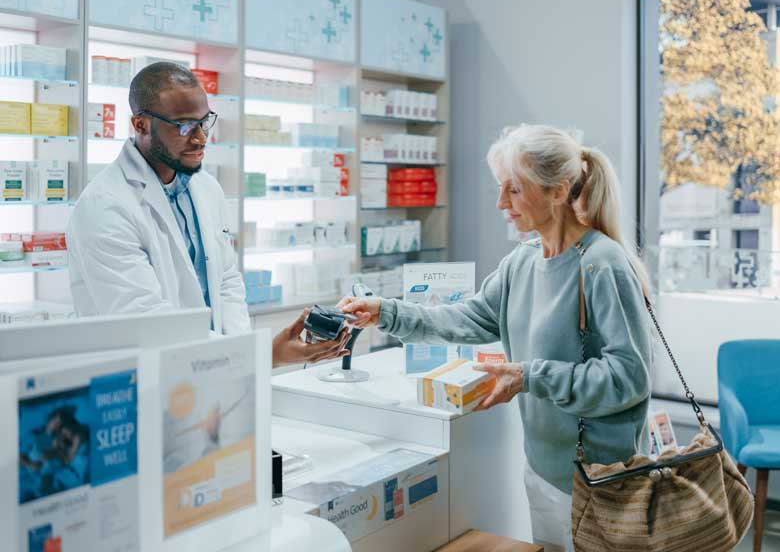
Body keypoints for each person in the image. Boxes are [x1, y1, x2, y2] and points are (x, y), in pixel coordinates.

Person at [339, 124, 653, 552]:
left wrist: (529, 377)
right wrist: (386, 311)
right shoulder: (521, 262)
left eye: (515, 190)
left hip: (603, 481)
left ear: (558, 192)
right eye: (500, 188)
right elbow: (469, 318)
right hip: (544, 472)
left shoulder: (602, 265)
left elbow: (629, 378)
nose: (501, 203)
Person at [67, 62, 348, 367]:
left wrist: (238, 355)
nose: (201, 138)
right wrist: (254, 356)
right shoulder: (104, 206)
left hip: (213, 372)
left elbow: (226, 279)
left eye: (204, 122)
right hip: (139, 379)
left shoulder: (205, 188)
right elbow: (144, 321)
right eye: (185, 126)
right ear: (141, 125)